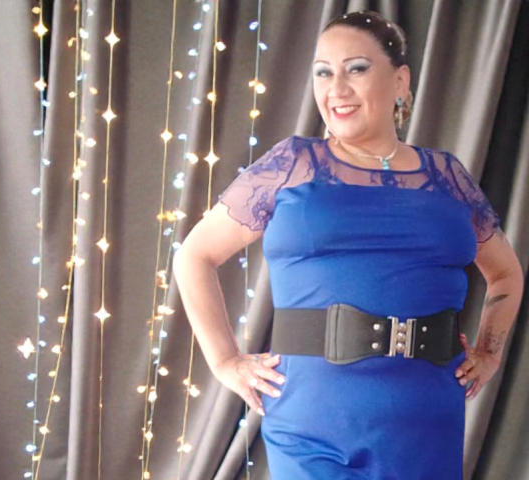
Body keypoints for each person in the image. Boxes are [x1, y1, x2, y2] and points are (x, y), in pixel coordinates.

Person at [172, 10, 524, 480]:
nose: (336, 88)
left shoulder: (446, 177)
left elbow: (505, 273)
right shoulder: (293, 164)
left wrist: (490, 352)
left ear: (400, 81)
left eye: (356, 69)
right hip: (312, 422)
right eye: (323, 72)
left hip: (427, 417)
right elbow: (194, 256)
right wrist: (224, 361)